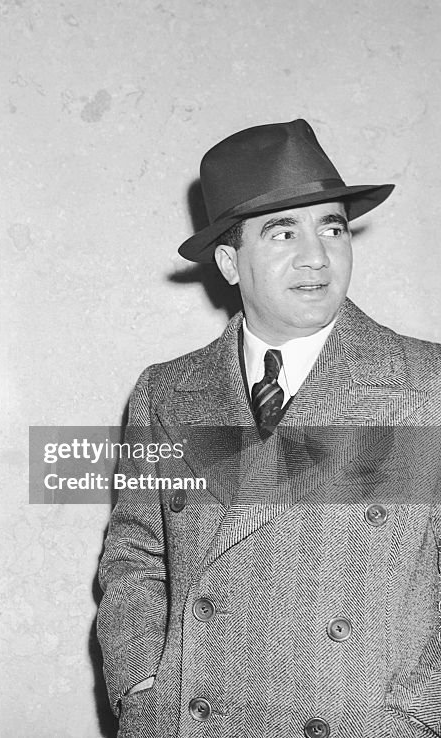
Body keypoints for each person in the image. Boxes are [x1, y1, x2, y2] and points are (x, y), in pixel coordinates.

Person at [96, 119, 441, 737]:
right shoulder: (167, 394)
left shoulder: (424, 383)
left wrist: (421, 714)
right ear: (230, 261)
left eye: (332, 227)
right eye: (284, 231)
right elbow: (136, 556)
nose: (317, 255)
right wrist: (144, 684)